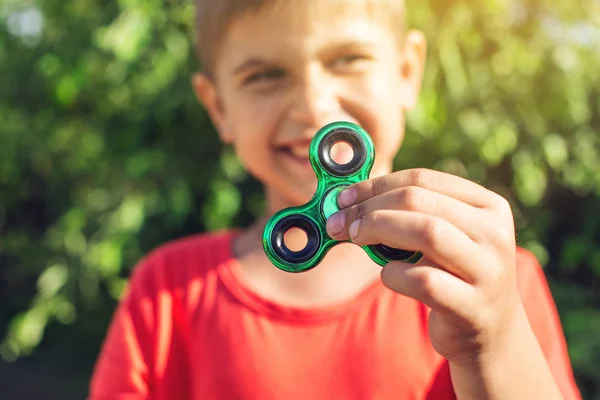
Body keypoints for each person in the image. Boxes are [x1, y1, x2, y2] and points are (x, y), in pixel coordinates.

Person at [89, 1, 582, 399]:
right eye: (264, 75)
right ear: (219, 107)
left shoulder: (486, 280)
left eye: (347, 60)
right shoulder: (166, 293)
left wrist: (489, 343)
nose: (314, 105)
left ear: (407, 72)